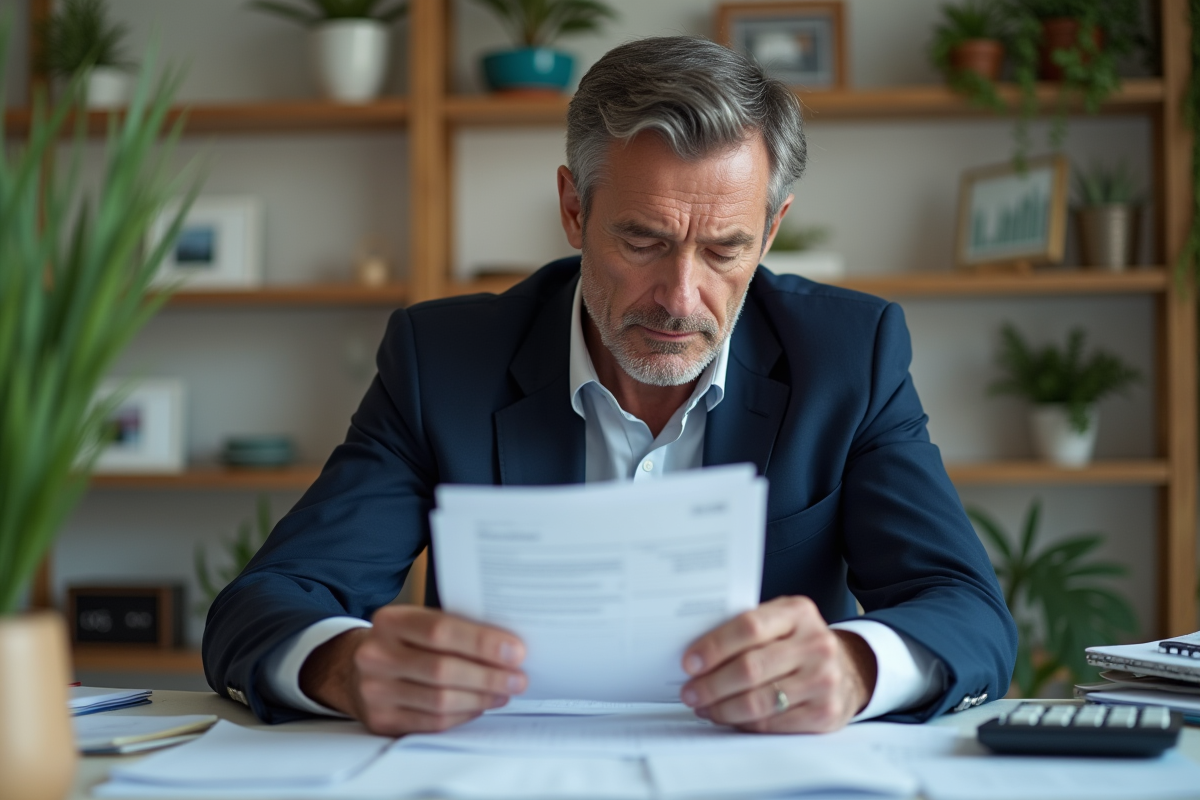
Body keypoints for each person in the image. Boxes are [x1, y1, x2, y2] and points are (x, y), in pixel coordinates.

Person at [203, 35, 1016, 737]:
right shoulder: (442, 359)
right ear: (572, 209)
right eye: (642, 239)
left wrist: (854, 667)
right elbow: (266, 603)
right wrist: (343, 666)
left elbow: (966, 609)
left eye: (727, 250)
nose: (679, 297)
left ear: (772, 229)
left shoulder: (848, 355)